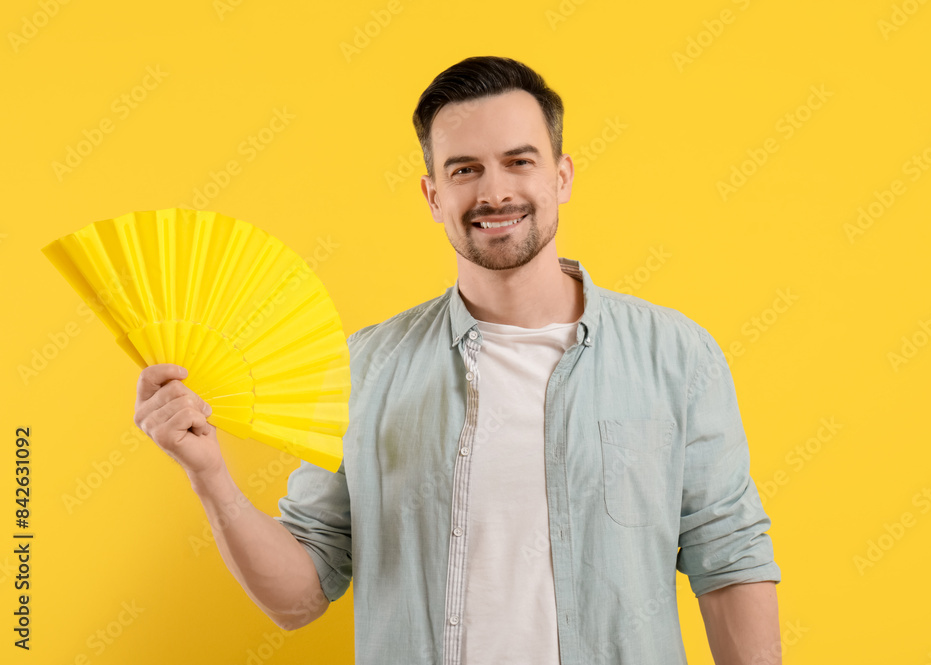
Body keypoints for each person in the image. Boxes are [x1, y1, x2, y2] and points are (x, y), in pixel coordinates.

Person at [134, 56, 781, 665]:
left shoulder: (675, 355)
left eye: (519, 161)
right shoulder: (363, 370)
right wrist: (210, 475)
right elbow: (299, 599)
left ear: (562, 176)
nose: (494, 191)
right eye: (464, 169)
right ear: (432, 194)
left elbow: (730, 558)